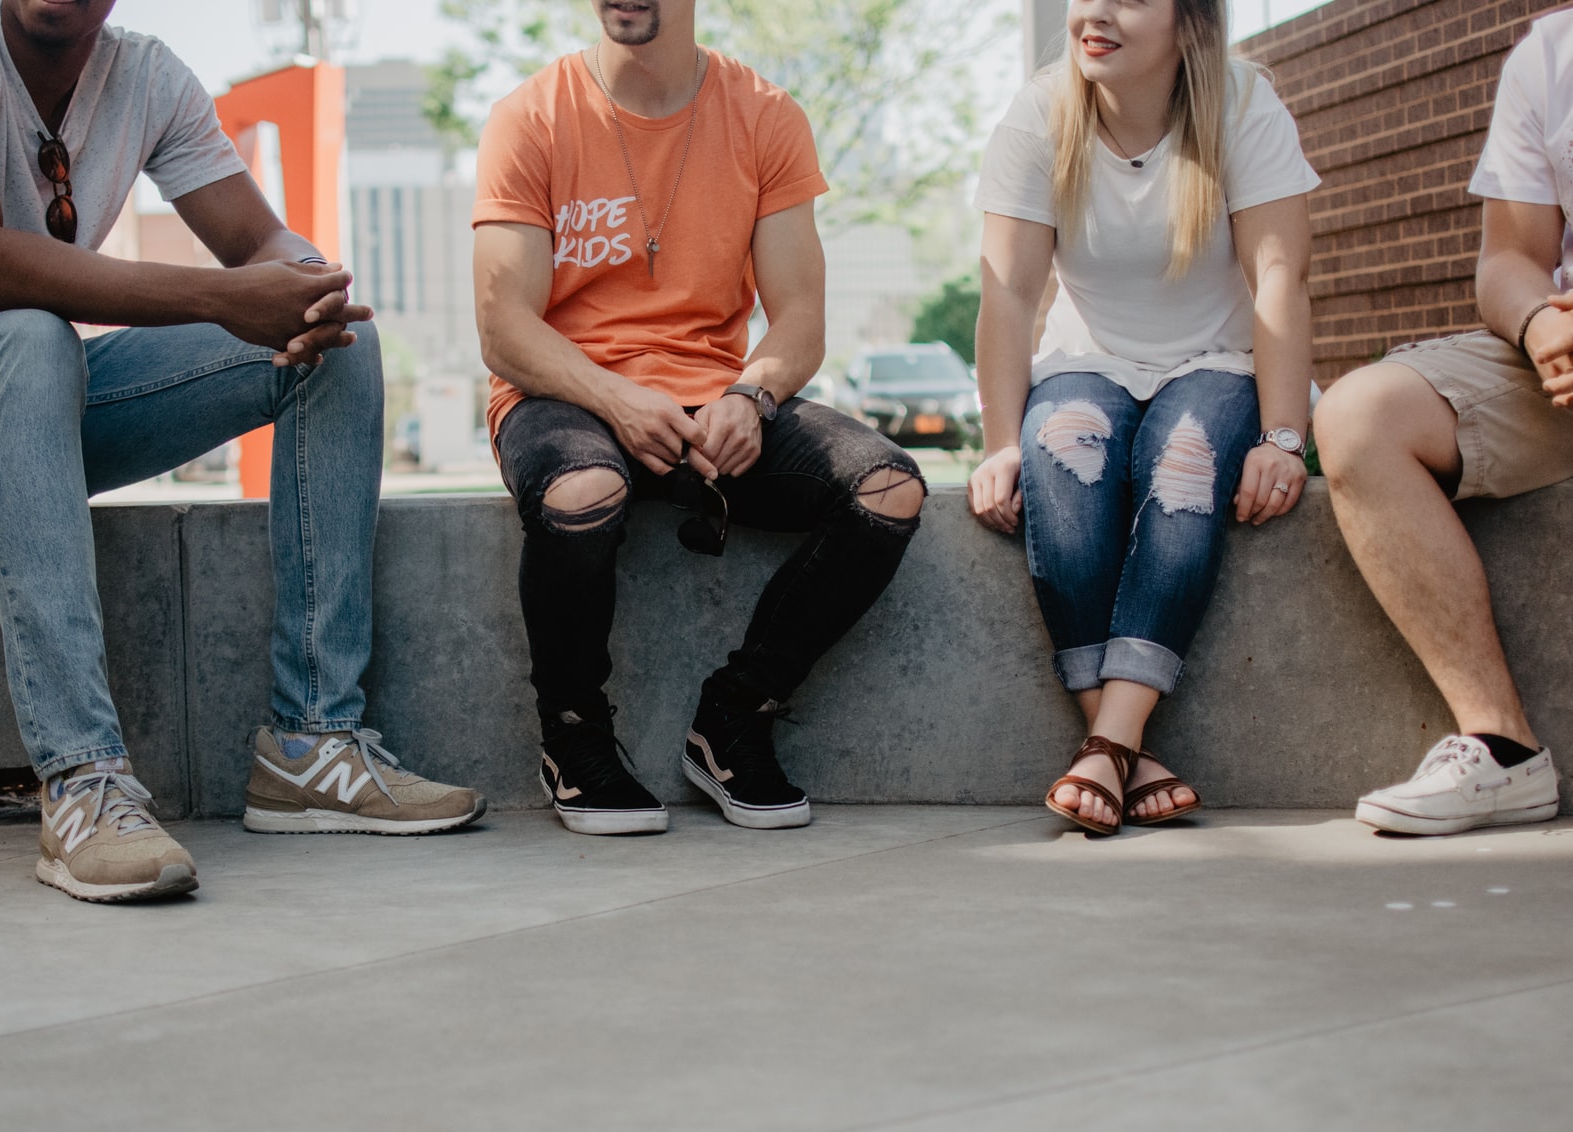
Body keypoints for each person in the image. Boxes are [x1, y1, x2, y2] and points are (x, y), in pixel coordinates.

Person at [0, 0, 484, 905]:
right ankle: (81, 783)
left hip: (30, 401)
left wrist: (303, 287)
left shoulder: (145, 76)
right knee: (30, 336)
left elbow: (257, 241)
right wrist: (219, 298)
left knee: (338, 348)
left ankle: (312, 746)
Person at [471, 0, 925, 835]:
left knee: (887, 490)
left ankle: (735, 716)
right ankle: (572, 736)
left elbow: (799, 319)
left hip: (714, 397)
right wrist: (613, 395)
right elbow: (505, 327)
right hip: (564, 397)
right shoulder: (529, 117)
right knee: (581, 491)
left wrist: (752, 396)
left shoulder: (765, 114)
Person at [967, 0, 1317, 835]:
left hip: (1218, 364)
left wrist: (1282, 435)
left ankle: (1106, 744)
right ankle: (1123, 749)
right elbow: (1009, 293)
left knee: (1184, 464)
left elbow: (1280, 280)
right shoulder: (1041, 113)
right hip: (1087, 362)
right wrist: (1002, 442)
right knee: (1062, 458)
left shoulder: (1242, 106)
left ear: (1189, 21)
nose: (1094, 13)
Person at [1311, 13, 1573, 835]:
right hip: (1562, 369)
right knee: (1360, 415)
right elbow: (1509, 260)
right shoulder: (1552, 55)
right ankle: (1502, 749)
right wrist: (1539, 324)